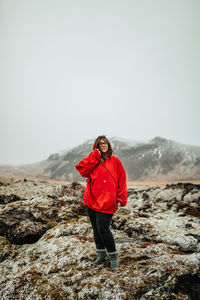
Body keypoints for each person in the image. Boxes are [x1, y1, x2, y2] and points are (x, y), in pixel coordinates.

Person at [75, 135, 127, 269]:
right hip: (91, 199)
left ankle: (113, 255)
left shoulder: (115, 161)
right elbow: (81, 170)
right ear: (96, 147)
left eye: (105, 143)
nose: (103, 145)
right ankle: (101, 254)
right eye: (100, 144)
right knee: (96, 229)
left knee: (103, 228)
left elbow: (122, 180)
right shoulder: (94, 160)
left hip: (107, 202)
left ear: (109, 146)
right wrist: (94, 157)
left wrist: (121, 198)